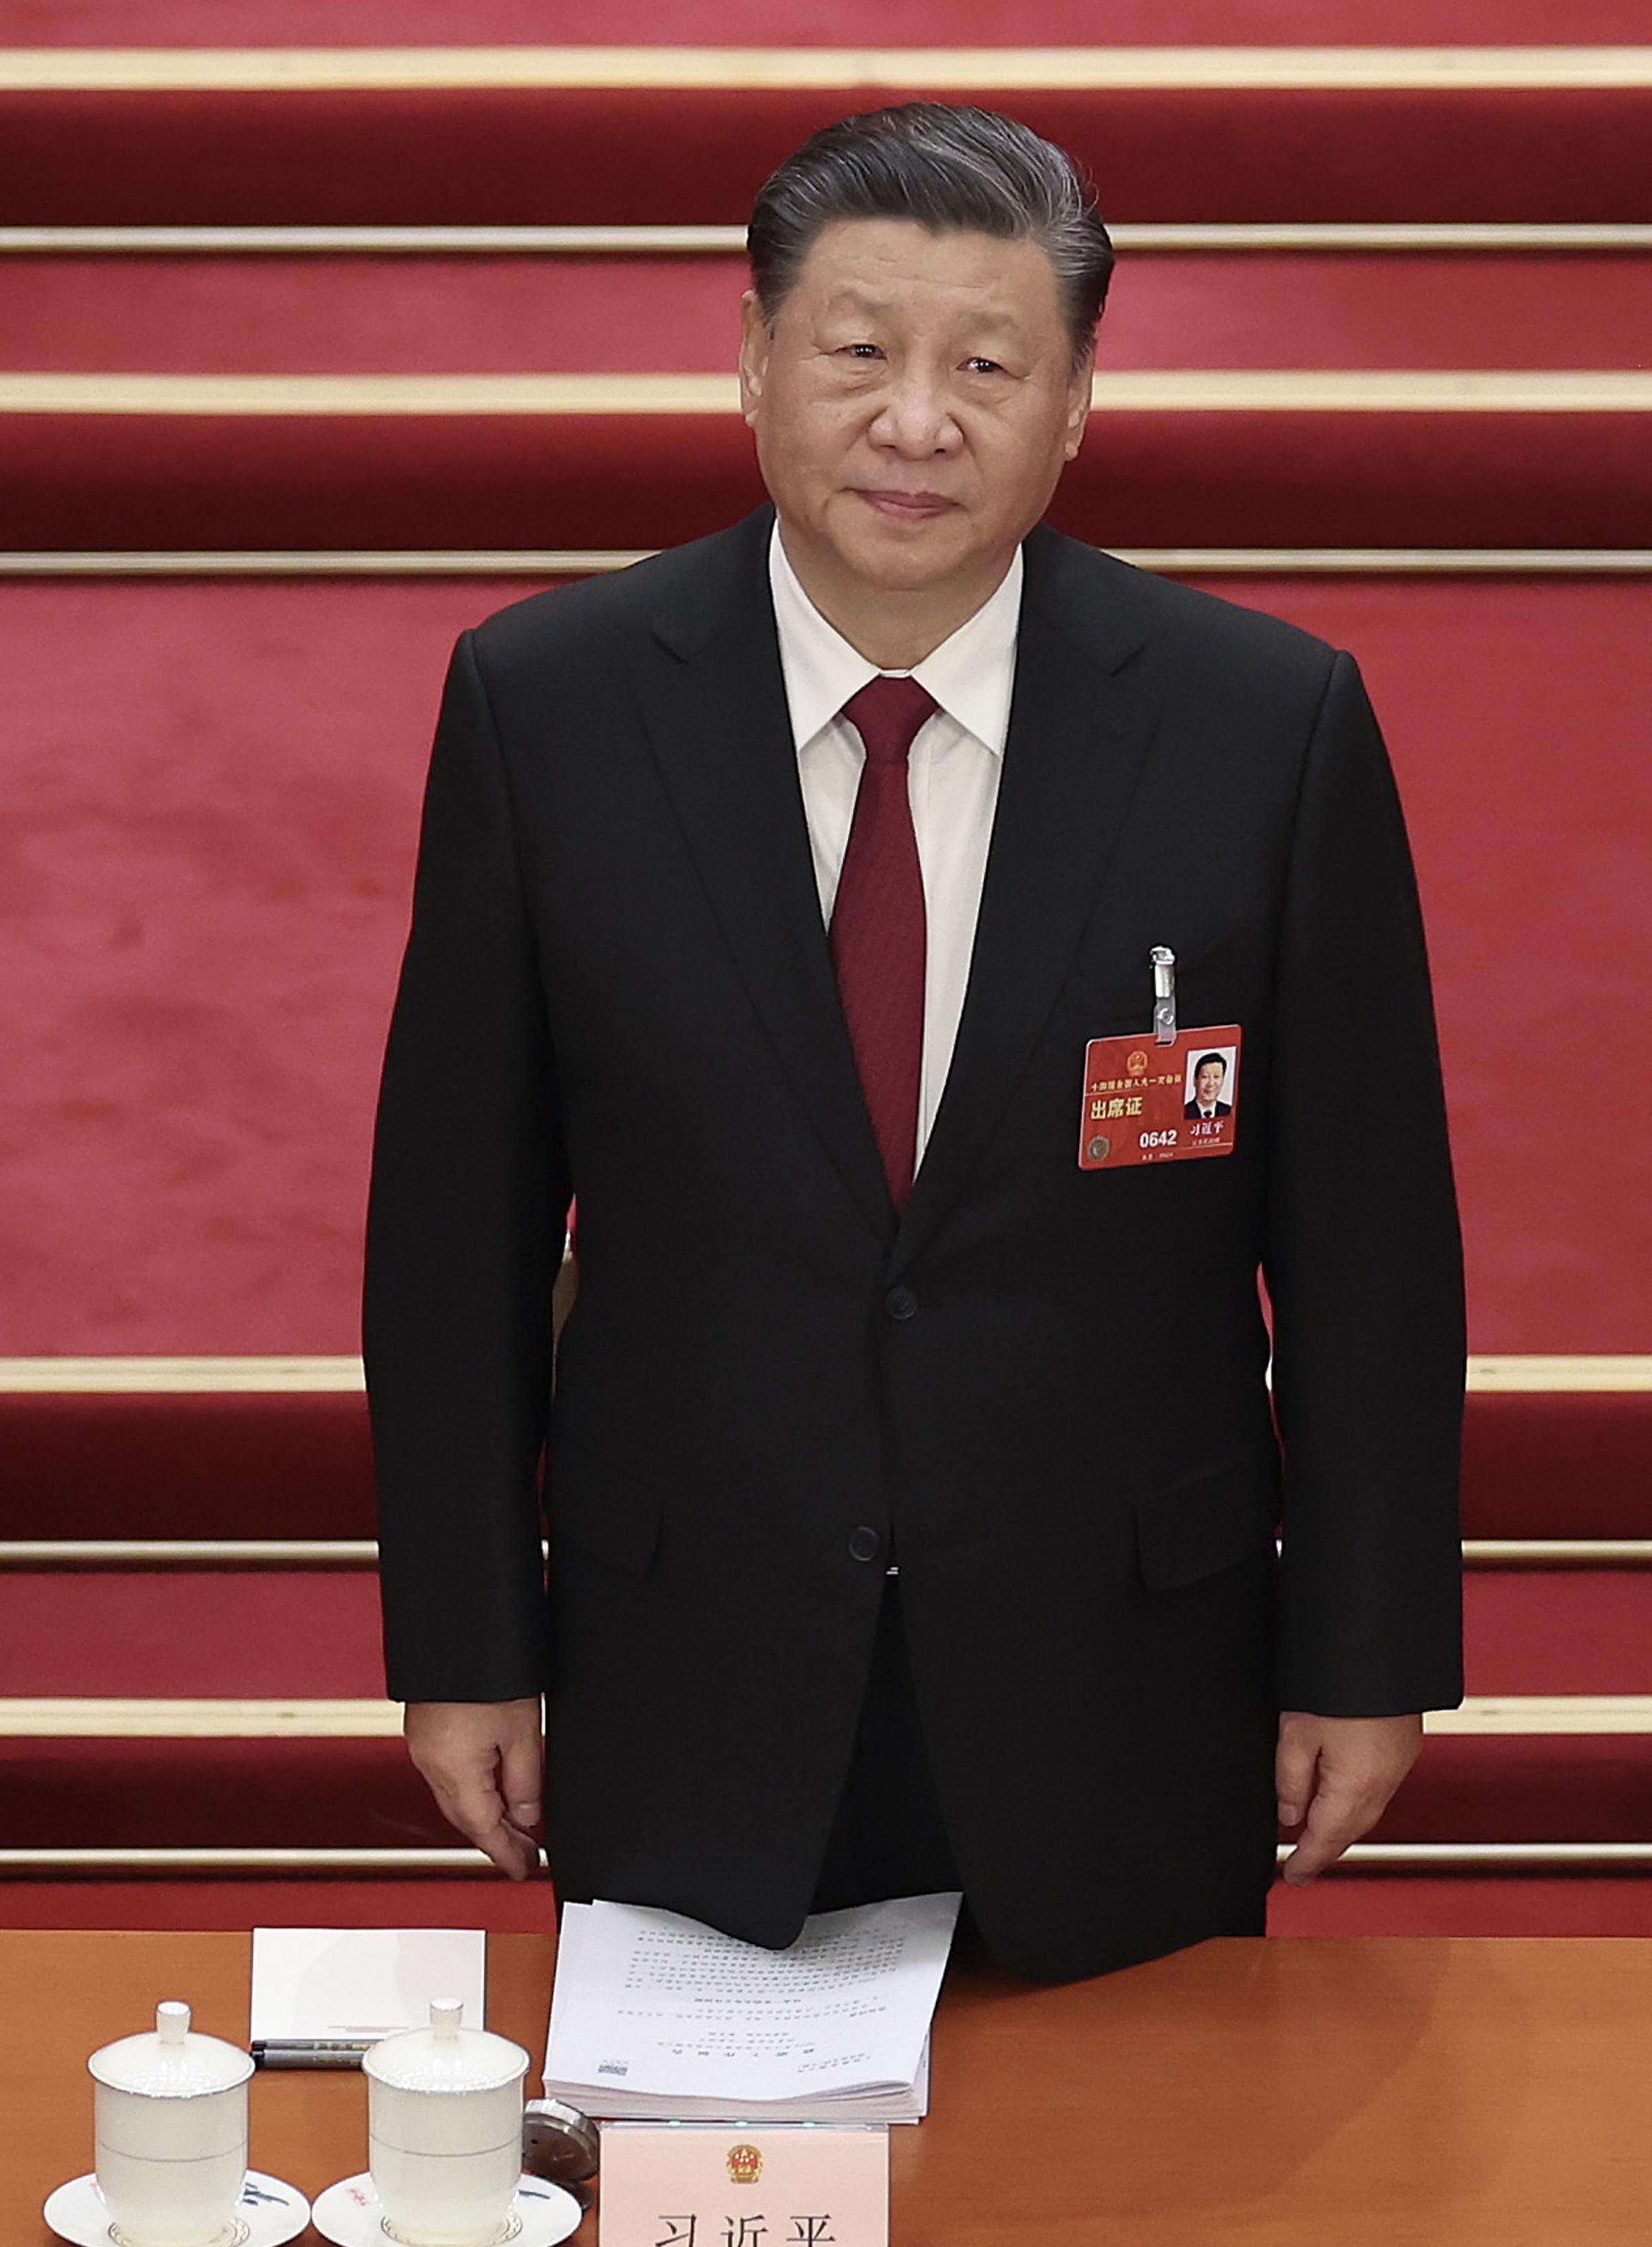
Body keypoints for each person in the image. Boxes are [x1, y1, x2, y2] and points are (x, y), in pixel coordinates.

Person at [363, 103, 1465, 1986]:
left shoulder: (1263, 726)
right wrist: (468, 1642)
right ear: (752, 359)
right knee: (720, 2244)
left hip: (1125, 1669)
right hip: (688, 1654)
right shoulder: (547, 708)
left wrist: (1364, 1662)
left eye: (987, 364)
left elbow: (1367, 1245)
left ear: (1078, 400)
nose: (917, 420)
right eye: (859, 351)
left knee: (1121, 2213)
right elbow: (456, 1230)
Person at [1185, 1051, 1234, 1120]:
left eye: (1216, 1077)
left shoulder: (1231, 1112)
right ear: (1195, 1081)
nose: (1211, 1084)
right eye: (1205, 1077)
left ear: (1223, 1080)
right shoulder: (1183, 1113)